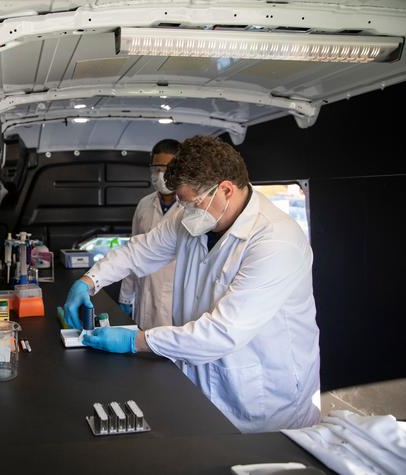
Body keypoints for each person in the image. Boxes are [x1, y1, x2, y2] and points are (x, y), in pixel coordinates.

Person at [62, 135, 320, 433]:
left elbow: (222, 333)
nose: (186, 211)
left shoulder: (276, 241)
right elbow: (141, 250)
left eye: (192, 202)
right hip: (199, 382)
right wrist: (89, 280)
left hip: (263, 399)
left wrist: (136, 341)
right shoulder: (191, 213)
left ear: (225, 189)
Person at [118, 139, 180, 329]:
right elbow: (134, 250)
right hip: (143, 297)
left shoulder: (191, 208)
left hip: (174, 304)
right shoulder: (144, 204)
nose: (161, 175)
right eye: (156, 169)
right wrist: (126, 295)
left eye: (167, 169)